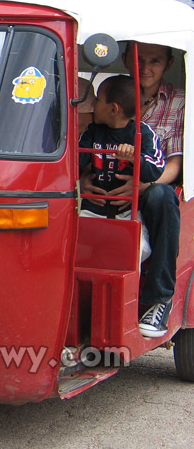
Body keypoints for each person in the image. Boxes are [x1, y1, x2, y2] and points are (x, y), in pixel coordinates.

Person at [81, 42, 183, 337]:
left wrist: (141, 183)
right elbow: (80, 154)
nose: (146, 68)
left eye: (155, 61)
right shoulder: (102, 111)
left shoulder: (176, 101)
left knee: (161, 196)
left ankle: (158, 299)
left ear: (168, 63)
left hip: (152, 188)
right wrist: (80, 181)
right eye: (139, 60)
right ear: (125, 59)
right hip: (101, 191)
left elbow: (172, 164)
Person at [79, 75, 165, 218]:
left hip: (129, 210)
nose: (93, 103)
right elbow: (75, 163)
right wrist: (82, 179)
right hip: (92, 208)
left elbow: (156, 170)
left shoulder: (143, 133)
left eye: (98, 99)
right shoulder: (92, 131)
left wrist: (134, 157)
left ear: (113, 109)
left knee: (140, 241)